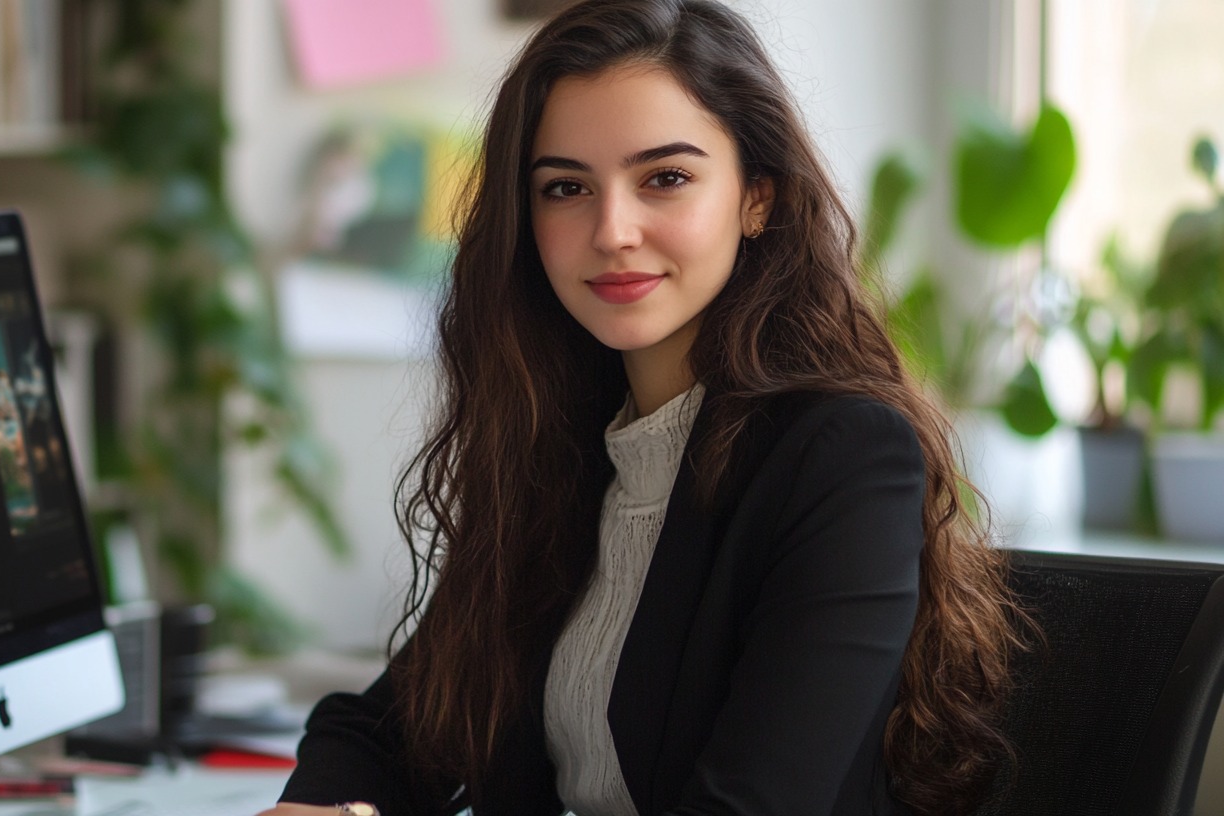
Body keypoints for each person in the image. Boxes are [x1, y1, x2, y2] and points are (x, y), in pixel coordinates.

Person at [258, 1, 1023, 814]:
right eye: (565, 188)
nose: (612, 230)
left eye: (665, 178)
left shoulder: (842, 458)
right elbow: (387, 728)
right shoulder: (564, 452)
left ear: (756, 197)